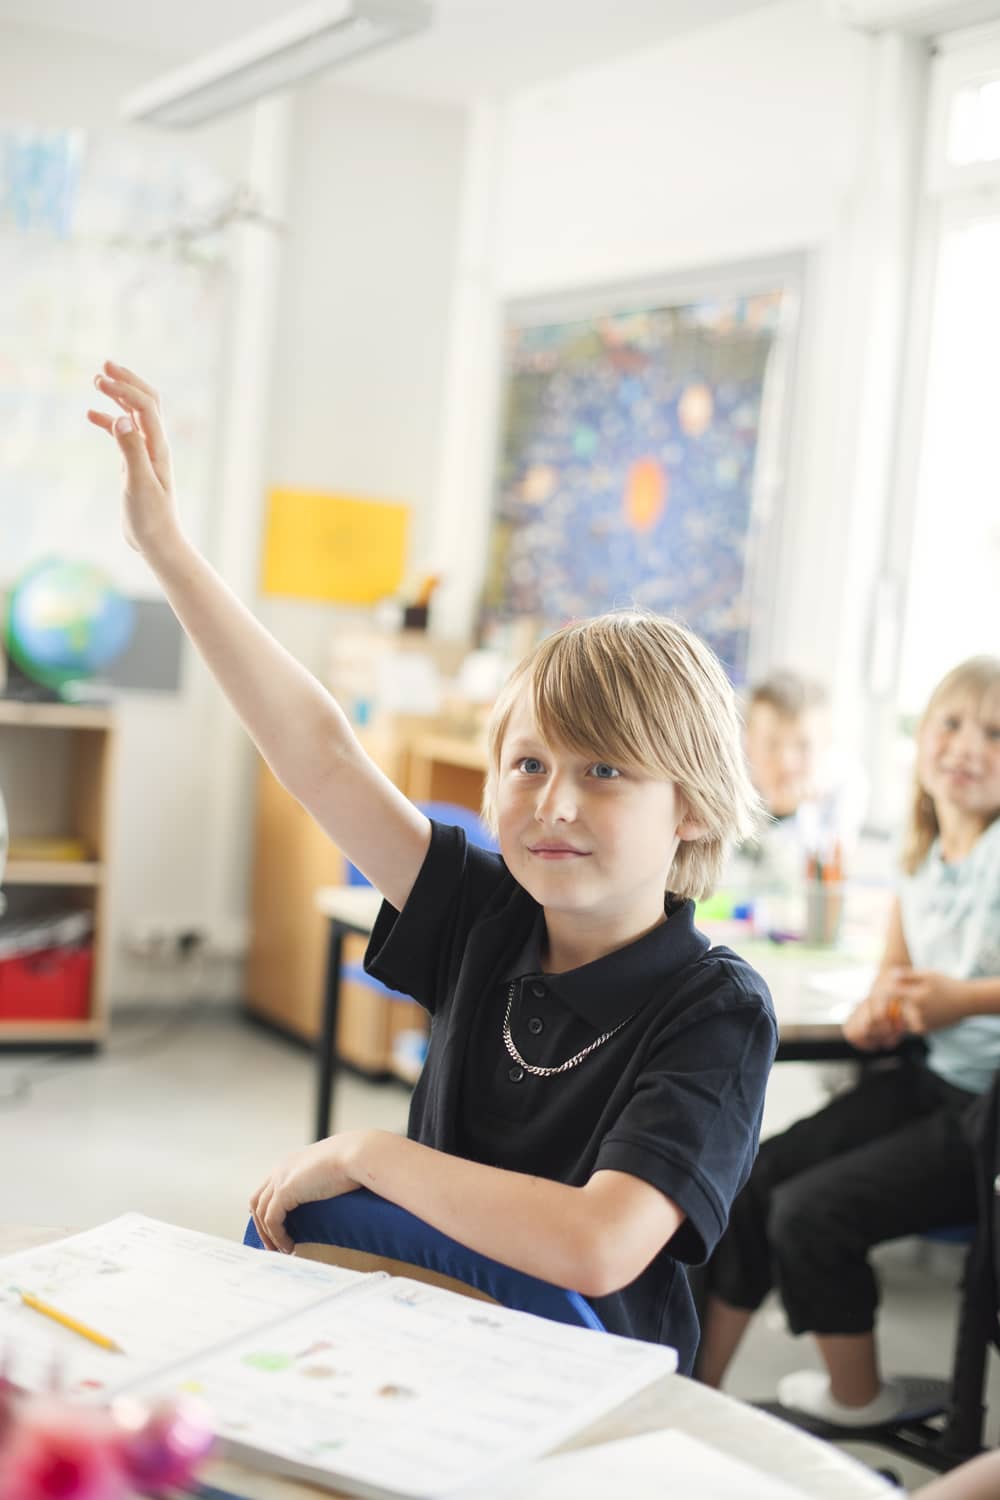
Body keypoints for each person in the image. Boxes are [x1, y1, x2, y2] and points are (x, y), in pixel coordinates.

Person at [87, 358, 777, 1374]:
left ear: (692, 805)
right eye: (529, 762)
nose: (553, 801)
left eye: (605, 771)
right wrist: (169, 551)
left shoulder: (715, 1010)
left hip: (583, 1381)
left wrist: (374, 1154)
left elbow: (595, 1247)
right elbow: (319, 752)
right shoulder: (487, 913)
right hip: (424, 1324)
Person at [696, 654, 1000, 1423]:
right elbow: (894, 986)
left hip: (986, 1114)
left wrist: (960, 1000)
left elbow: (954, 997)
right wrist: (877, 1014)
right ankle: (693, 1391)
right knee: (754, 1182)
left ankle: (858, 1398)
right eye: (953, 725)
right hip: (932, 1085)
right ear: (922, 736)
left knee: (811, 1213)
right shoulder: (921, 855)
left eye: (996, 735)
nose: (968, 747)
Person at [737, 671, 868, 910]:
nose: (786, 762)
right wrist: (776, 815)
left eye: (803, 746)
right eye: (771, 744)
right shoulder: (727, 781)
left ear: (826, 744)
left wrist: (795, 814)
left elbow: (823, 883)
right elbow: (728, 882)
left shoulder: (845, 783)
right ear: (748, 743)